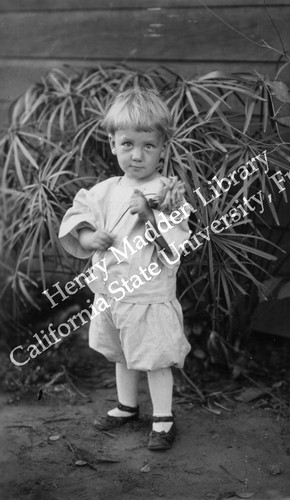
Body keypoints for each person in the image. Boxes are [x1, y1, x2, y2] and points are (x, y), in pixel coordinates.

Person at [59, 86, 192, 451]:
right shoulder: (103, 191)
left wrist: (151, 215)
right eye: (128, 144)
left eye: (148, 146)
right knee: (122, 352)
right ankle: (127, 406)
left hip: (148, 295)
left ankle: (163, 418)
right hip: (113, 292)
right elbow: (78, 218)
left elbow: (176, 243)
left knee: (153, 356)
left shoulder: (167, 193)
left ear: (163, 147)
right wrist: (89, 240)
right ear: (113, 143)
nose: (137, 155)